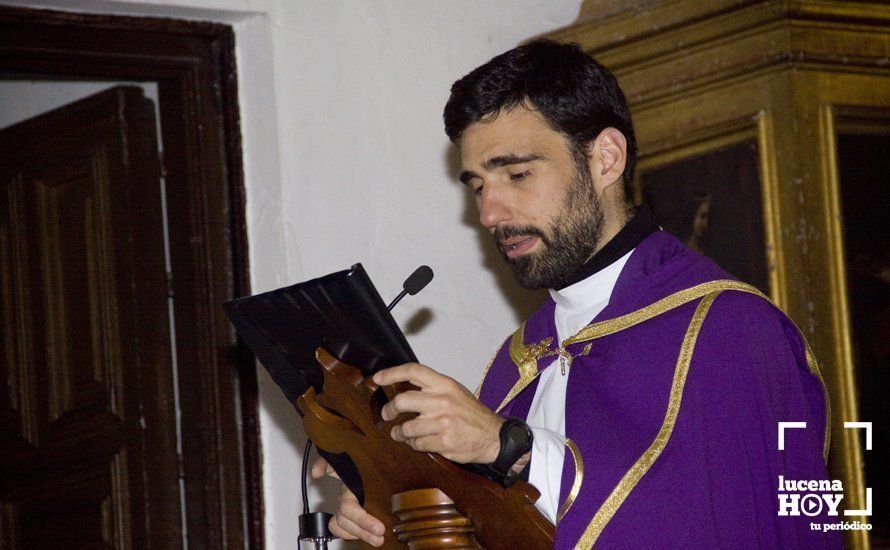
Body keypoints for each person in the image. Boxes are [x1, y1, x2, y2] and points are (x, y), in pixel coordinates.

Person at [312, 39, 840, 548]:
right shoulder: (520, 359)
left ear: (606, 159)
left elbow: (717, 521)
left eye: (517, 174)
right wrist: (386, 496)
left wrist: (509, 447)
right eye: (478, 187)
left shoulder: (730, 331)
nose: (489, 215)